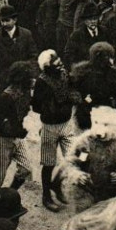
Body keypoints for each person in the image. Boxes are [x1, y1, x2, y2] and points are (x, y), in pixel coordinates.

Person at [31, 50, 80, 211]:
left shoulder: (64, 74)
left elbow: (73, 90)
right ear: (47, 67)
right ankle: (46, 196)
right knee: (48, 163)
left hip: (67, 124)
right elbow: (36, 107)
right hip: (49, 127)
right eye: (56, 62)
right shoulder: (41, 82)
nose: (60, 63)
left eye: (59, 59)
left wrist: (71, 99)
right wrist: (51, 108)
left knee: (74, 158)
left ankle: (56, 184)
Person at [0, 62, 35, 190]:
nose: (31, 80)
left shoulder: (25, 92)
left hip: (18, 137)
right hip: (3, 139)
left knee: (25, 169)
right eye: (28, 78)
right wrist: (15, 132)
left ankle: (9, 194)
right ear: (20, 80)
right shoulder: (6, 96)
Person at [0, 5, 37, 99]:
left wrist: (31, 75)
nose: (4, 24)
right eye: (2, 21)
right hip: (0, 80)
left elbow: (33, 56)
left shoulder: (26, 34)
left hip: (20, 80)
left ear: (15, 20)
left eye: (7, 20)